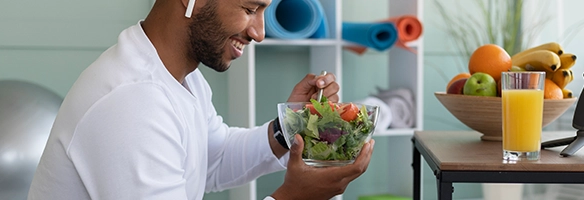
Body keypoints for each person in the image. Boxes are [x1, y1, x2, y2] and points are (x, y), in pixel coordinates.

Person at [27, 0, 375, 199]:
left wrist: (293, 125)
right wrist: (294, 198)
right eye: (250, 8)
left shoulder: (182, 75)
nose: (259, 32)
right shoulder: (132, 101)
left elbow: (212, 158)